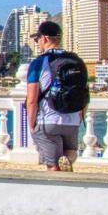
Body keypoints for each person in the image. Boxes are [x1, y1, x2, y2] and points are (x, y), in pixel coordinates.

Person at [26, 21, 87, 172]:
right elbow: (85, 93)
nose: (37, 43)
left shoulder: (38, 63)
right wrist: (80, 118)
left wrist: (32, 125)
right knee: (70, 153)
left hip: (48, 121)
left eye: (37, 39)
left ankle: (57, 187)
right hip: (72, 120)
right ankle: (67, 159)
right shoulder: (77, 61)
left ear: (44, 39)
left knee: (53, 167)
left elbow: (32, 100)